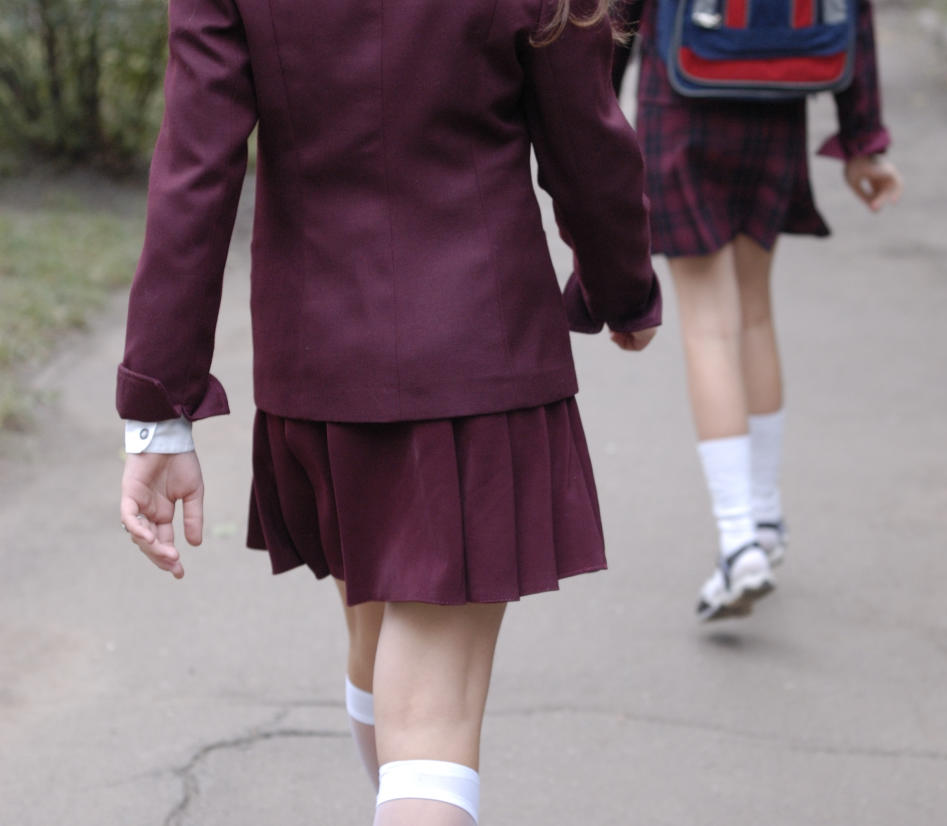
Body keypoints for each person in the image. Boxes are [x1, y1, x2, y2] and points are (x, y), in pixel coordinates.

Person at [116, 0, 660, 823]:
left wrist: (158, 408)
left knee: (380, 659)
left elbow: (195, 166)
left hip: (320, 366)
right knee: (432, 720)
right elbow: (586, 141)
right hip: (477, 359)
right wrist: (622, 291)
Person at [627, 0, 902, 621]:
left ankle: (738, 541)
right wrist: (864, 141)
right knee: (753, 313)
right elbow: (851, 12)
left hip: (680, 99)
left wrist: (593, 121)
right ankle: (767, 516)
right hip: (777, 93)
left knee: (707, 326)